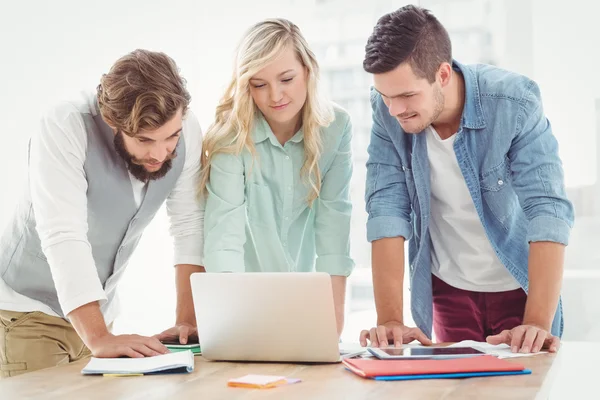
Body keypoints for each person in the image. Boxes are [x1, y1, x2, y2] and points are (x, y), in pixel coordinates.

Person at [358, 5, 574, 353]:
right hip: (448, 290)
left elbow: (548, 210)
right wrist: (391, 319)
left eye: (406, 96)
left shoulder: (513, 101)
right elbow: (386, 206)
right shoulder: (387, 111)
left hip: (518, 286)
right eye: (386, 97)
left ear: (442, 74)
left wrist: (535, 321)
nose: (395, 110)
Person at [0, 49, 205, 378]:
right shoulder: (65, 126)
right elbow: (63, 234)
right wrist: (99, 337)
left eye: (171, 137)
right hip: (25, 315)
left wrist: (187, 322)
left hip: (99, 316)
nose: (159, 153)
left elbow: (189, 226)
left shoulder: (187, 128)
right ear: (113, 122)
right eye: (144, 140)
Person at [199, 18, 355, 335]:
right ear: (246, 86)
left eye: (286, 79)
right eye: (260, 84)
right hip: (243, 298)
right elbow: (223, 234)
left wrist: (334, 320)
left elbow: (334, 222)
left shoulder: (336, 126)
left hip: (307, 293)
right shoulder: (231, 135)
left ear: (308, 71)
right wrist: (226, 324)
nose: (275, 96)